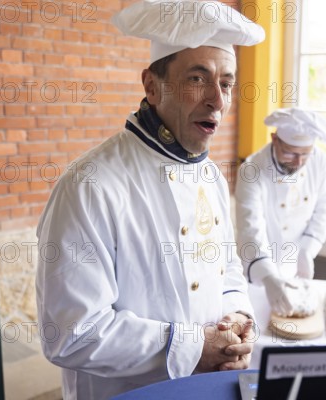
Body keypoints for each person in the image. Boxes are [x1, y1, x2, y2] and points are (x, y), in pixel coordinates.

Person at [35, 1, 265, 399]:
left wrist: (239, 316)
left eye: (226, 83)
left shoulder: (208, 174)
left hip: (208, 387)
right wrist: (194, 347)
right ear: (152, 85)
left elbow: (226, 267)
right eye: (198, 78)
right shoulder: (91, 186)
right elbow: (71, 335)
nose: (218, 100)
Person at [235, 108, 326, 316]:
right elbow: (250, 228)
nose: (298, 162)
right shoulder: (251, 169)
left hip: (295, 268)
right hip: (258, 270)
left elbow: (325, 207)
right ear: (275, 140)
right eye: (290, 153)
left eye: (305, 154)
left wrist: (308, 249)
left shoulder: (318, 160)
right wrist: (268, 276)